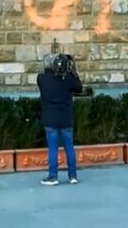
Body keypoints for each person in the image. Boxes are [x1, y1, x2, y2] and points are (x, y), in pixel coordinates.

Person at [37, 53, 82, 186]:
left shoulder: (42, 79)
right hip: (66, 118)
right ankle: (72, 176)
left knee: (52, 148)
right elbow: (79, 87)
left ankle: (53, 176)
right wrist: (73, 70)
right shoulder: (68, 79)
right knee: (69, 147)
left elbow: (47, 75)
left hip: (50, 119)